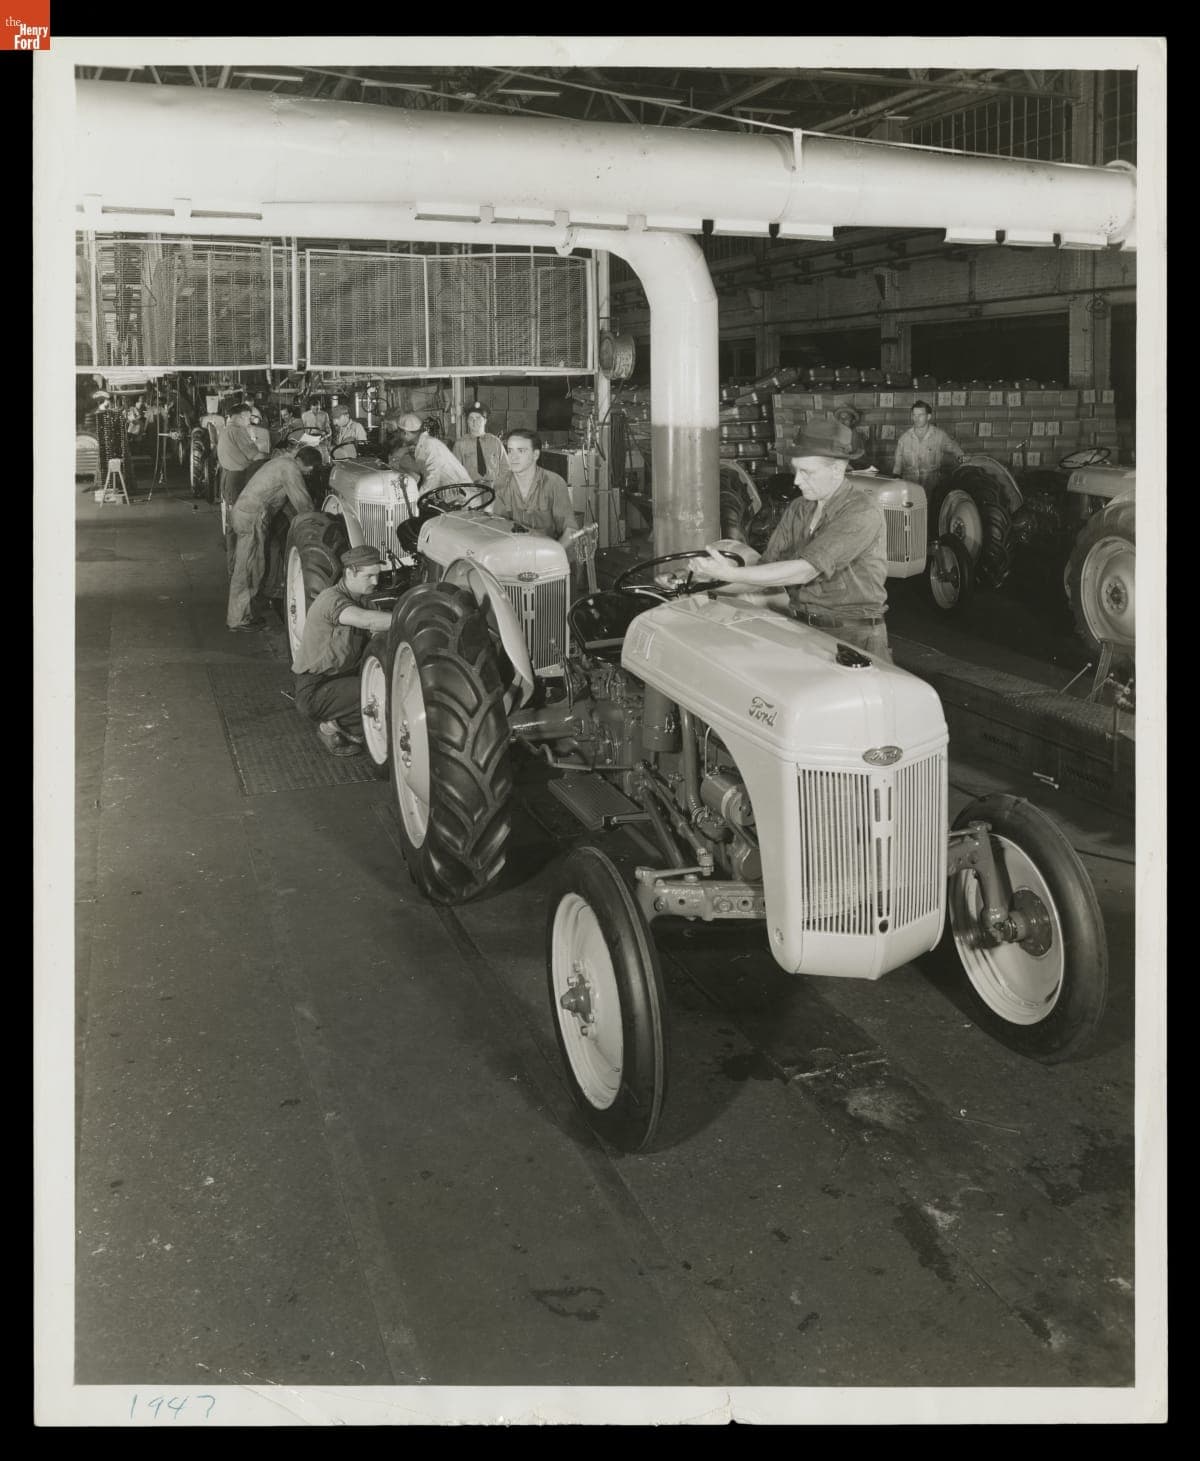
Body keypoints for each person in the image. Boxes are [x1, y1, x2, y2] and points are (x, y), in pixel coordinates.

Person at [691, 418, 892, 662]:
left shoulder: (861, 511)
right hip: (803, 630)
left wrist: (730, 574)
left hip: (854, 638)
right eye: (796, 470)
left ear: (837, 470)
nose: (796, 481)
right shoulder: (799, 508)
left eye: (806, 472)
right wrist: (704, 581)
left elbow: (805, 571)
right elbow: (766, 575)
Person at [292, 544, 394, 756]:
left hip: (340, 680)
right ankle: (330, 728)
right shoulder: (331, 599)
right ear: (350, 572)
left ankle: (347, 724)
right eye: (369, 576)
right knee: (377, 695)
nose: (376, 582)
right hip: (316, 689)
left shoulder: (364, 601)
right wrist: (411, 617)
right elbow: (366, 621)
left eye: (378, 575)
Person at [226, 445, 321, 631]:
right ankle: (237, 620)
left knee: (254, 567)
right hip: (251, 518)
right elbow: (303, 503)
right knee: (248, 569)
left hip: (248, 515)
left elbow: (283, 502)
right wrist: (318, 522)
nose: (309, 474)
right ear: (304, 463)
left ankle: (243, 615)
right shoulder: (290, 468)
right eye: (310, 470)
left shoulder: (282, 462)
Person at [490, 428, 579, 548]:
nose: (513, 457)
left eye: (521, 451)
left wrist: (554, 555)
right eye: (510, 451)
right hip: (514, 553)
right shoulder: (501, 484)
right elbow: (497, 528)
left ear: (535, 454)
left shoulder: (553, 483)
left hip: (549, 554)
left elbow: (571, 530)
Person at [390, 412, 473, 492]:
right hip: (449, 491)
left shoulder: (431, 445)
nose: (398, 437)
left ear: (405, 433)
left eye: (399, 433)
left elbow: (432, 479)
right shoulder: (422, 444)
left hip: (463, 495)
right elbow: (418, 472)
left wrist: (417, 500)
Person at [891, 400, 964, 488]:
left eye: (920, 415)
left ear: (928, 416)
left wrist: (961, 457)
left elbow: (955, 449)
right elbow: (897, 466)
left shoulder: (939, 436)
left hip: (932, 487)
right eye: (914, 415)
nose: (916, 419)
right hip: (910, 487)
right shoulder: (904, 439)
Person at [216, 401, 269, 508]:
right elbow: (256, 456)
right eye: (248, 418)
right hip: (238, 482)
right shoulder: (237, 431)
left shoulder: (226, 430)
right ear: (242, 416)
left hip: (228, 479)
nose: (249, 422)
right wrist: (273, 457)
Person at [452, 402, 508, 484]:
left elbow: (505, 467)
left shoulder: (495, 442)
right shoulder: (460, 444)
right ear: (467, 421)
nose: (474, 421)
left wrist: (498, 485)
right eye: (471, 418)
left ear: (485, 421)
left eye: (478, 418)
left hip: (493, 491)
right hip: (471, 490)